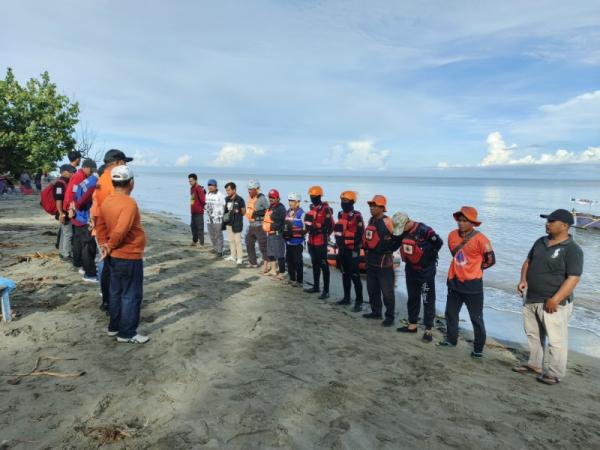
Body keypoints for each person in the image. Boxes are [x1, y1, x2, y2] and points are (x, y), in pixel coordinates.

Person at [514, 209, 583, 385]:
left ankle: (554, 372)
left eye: (552, 221)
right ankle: (535, 364)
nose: (547, 224)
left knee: (556, 339)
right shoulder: (540, 241)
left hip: (554, 302)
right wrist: (523, 280)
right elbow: (528, 262)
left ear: (565, 226)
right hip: (531, 297)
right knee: (533, 334)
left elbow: (573, 278)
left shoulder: (572, 249)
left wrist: (556, 299)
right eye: (547, 221)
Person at [97, 165, 148, 344]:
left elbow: (100, 224)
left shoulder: (107, 201)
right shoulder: (129, 203)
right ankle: (127, 333)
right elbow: (121, 230)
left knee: (116, 292)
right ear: (131, 183)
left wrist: (104, 244)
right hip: (128, 255)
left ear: (113, 182)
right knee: (131, 295)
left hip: (114, 255)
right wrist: (109, 246)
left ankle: (114, 326)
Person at [439, 206, 495, 358]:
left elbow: (490, 260)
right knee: (450, 313)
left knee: (476, 318)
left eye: (465, 221)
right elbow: (456, 254)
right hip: (454, 281)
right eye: (459, 220)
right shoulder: (451, 235)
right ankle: (451, 340)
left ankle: (478, 349)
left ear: (473, 223)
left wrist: (475, 268)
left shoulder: (481, 239)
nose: (461, 223)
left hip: (473, 285)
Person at [91, 149, 134, 311]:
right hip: (110, 228)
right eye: (124, 162)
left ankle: (107, 300)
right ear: (116, 162)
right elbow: (114, 205)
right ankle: (111, 302)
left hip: (102, 227)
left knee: (106, 265)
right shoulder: (111, 179)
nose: (125, 166)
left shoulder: (102, 178)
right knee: (111, 266)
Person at [394, 212, 443, 342]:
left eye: (401, 227)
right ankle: (412, 324)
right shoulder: (403, 232)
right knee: (412, 297)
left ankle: (428, 330)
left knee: (427, 299)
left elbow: (439, 243)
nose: (401, 231)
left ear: (408, 222)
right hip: (411, 269)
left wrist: (427, 255)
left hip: (426, 271)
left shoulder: (425, 230)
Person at [362, 195, 400, 327]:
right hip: (371, 260)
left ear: (382, 208)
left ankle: (390, 316)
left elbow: (398, 237)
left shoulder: (388, 222)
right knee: (372, 289)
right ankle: (376, 312)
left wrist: (390, 248)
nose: (371, 208)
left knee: (387, 292)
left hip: (384, 263)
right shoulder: (371, 220)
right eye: (370, 206)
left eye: (374, 206)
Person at [333, 191, 364, 312]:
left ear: (352, 202)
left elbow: (360, 234)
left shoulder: (357, 216)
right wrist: (340, 243)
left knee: (355, 275)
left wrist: (350, 244)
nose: (343, 203)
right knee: (345, 274)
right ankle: (346, 298)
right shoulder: (340, 214)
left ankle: (359, 301)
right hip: (342, 249)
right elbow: (339, 231)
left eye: (345, 201)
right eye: (342, 200)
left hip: (352, 250)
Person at [304, 186, 334, 300]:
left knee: (323, 265)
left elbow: (331, 225)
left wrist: (324, 234)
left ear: (319, 196)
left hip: (321, 241)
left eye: (314, 196)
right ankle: (316, 286)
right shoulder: (311, 207)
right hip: (311, 240)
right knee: (315, 264)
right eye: (311, 196)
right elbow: (308, 223)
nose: (312, 198)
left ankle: (326, 291)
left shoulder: (325, 209)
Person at [70, 159, 98, 281]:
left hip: (78, 216)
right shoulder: (94, 182)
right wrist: (77, 206)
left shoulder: (84, 181)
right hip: (84, 217)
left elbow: (74, 193)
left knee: (79, 242)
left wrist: (73, 207)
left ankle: (80, 265)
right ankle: (90, 273)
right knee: (88, 246)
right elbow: (85, 198)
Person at [245, 180, 270, 270]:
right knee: (248, 243)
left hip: (260, 226)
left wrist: (259, 213)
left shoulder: (262, 198)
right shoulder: (250, 198)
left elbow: (269, 210)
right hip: (251, 225)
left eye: (251, 189)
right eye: (248, 189)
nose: (249, 191)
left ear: (257, 189)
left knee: (263, 246)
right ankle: (253, 263)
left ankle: (267, 264)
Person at [262, 189, 287, 279]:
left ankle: (282, 272)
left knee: (279, 254)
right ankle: (273, 270)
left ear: (277, 198)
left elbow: (280, 222)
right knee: (271, 253)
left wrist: (271, 226)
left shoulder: (280, 208)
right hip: (270, 234)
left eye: (273, 197)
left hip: (277, 235)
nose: (271, 199)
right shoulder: (271, 207)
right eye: (270, 197)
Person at [55, 164, 77, 261]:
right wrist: (61, 213)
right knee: (68, 233)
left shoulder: (67, 182)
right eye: (71, 172)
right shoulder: (60, 184)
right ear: (64, 172)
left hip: (64, 211)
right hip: (63, 212)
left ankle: (62, 252)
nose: (72, 173)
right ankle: (66, 254)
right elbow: (58, 199)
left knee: (64, 233)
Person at [283, 192, 305, 287]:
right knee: (289, 260)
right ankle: (292, 278)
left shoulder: (302, 213)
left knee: (298, 261)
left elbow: (305, 227)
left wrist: (301, 234)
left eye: (292, 201)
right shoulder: (287, 212)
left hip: (298, 242)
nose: (290, 203)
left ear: (297, 202)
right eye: (289, 201)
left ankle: (299, 281)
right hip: (288, 241)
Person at [223, 182, 246, 264]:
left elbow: (244, 212)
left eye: (229, 190)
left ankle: (240, 258)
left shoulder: (240, 199)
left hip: (237, 223)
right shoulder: (226, 199)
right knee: (231, 240)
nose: (227, 192)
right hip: (228, 223)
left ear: (234, 190)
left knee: (238, 241)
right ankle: (233, 256)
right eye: (226, 190)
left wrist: (237, 212)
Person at [205, 179, 226, 257]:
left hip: (218, 217)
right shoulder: (207, 194)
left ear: (216, 186)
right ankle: (215, 248)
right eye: (209, 185)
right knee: (211, 234)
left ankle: (220, 251)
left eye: (212, 185)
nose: (210, 186)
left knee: (218, 234)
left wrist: (224, 215)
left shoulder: (220, 195)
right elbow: (206, 204)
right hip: (209, 217)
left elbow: (225, 205)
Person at [188, 174, 206, 247]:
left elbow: (203, 200)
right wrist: (192, 207)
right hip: (193, 211)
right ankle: (194, 241)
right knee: (193, 227)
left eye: (191, 181)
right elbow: (192, 199)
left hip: (199, 212)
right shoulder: (191, 188)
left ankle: (201, 243)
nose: (190, 182)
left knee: (200, 228)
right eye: (189, 181)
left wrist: (201, 207)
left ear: (195, 180)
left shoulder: (199, 188)